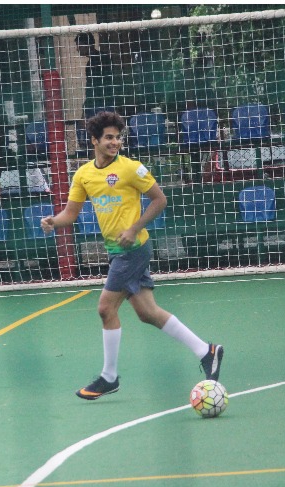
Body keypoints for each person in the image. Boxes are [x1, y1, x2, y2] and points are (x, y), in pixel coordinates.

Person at [41, 111, 223, 400]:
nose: (115, 142)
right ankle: (207, 351)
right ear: (95, 141)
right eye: (109, 138)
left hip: (133, 250)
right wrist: (53, 221)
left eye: (118, 137)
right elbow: (71, 214)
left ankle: (109, 377)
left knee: (105, 308)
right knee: (147, 313)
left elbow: (159, 199)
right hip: (116, 253)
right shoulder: (84, 174)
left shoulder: (131, 169)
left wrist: (134, 226)